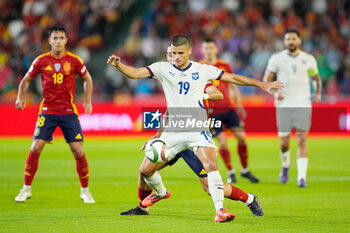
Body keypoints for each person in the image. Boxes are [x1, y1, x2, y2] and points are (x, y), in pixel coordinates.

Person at [108, 35, 282, 222]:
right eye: (173, 53)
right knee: (145, 170)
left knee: (210, 176)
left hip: (196, 131)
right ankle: (156, 196)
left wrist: (261, 84)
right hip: (173, 132)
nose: (176, 57)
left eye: (180, 53)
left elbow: (232, 79)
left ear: (190, 51)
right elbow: (135, 73)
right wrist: (119, 65)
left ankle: (228, 207)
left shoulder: (202, 71)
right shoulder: (162, 69)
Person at [14, 26, 95, 203]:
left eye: (61, 38)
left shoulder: (74, 60)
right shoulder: (41, 61)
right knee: (36, 147)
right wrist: (21, 96)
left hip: (68, 111)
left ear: (66, 40)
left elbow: (87, 78)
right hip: (48, 111)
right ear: (49, 41)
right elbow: (26, 79)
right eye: (55, 38)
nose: (58, 41)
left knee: (78, 150)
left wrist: (87, 100)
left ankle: (85, 191)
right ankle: (26, 189)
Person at [263, 28, 322, 188]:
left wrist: (317, 93)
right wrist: (275, 93)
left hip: (303, 103)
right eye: (288, 39)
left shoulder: (308, 59)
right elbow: (266, 80)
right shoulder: (277, 59)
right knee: (284, 143)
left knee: (302, 140)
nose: (291, 41)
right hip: (284, 104)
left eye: (293, 39)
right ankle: (285, 166)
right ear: (284, 41)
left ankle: (301, 178)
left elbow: (315, 77)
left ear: (299, 41)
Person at [200, 38, 259, 184]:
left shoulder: (224, 65)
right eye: (206, 48)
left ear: (216, 49)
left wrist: (239, 104)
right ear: (202, 50)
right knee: (223, 144)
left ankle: (245, 170)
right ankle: (231, 172)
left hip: (229, 108)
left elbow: (233, 86)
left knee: (242, 138)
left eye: (211, 48)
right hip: (212, 112)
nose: (208, 50)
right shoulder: (198, 67)